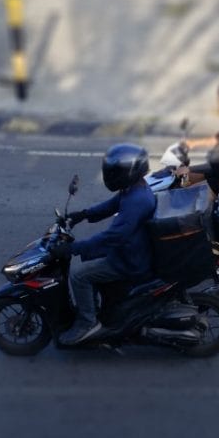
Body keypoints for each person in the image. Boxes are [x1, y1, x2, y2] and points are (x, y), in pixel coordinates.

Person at [55, 143, 156, 346]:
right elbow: (111, 205)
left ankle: (88, 324)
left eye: (114, 172)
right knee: (91, 264)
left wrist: (74, 248)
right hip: (131, 250)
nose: (110, 176)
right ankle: (94, 309)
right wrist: (84, 214)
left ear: (128, 172)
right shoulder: (134, 189)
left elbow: (112, 237)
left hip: (129, 261)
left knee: (79, 276)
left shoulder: (137, 200)